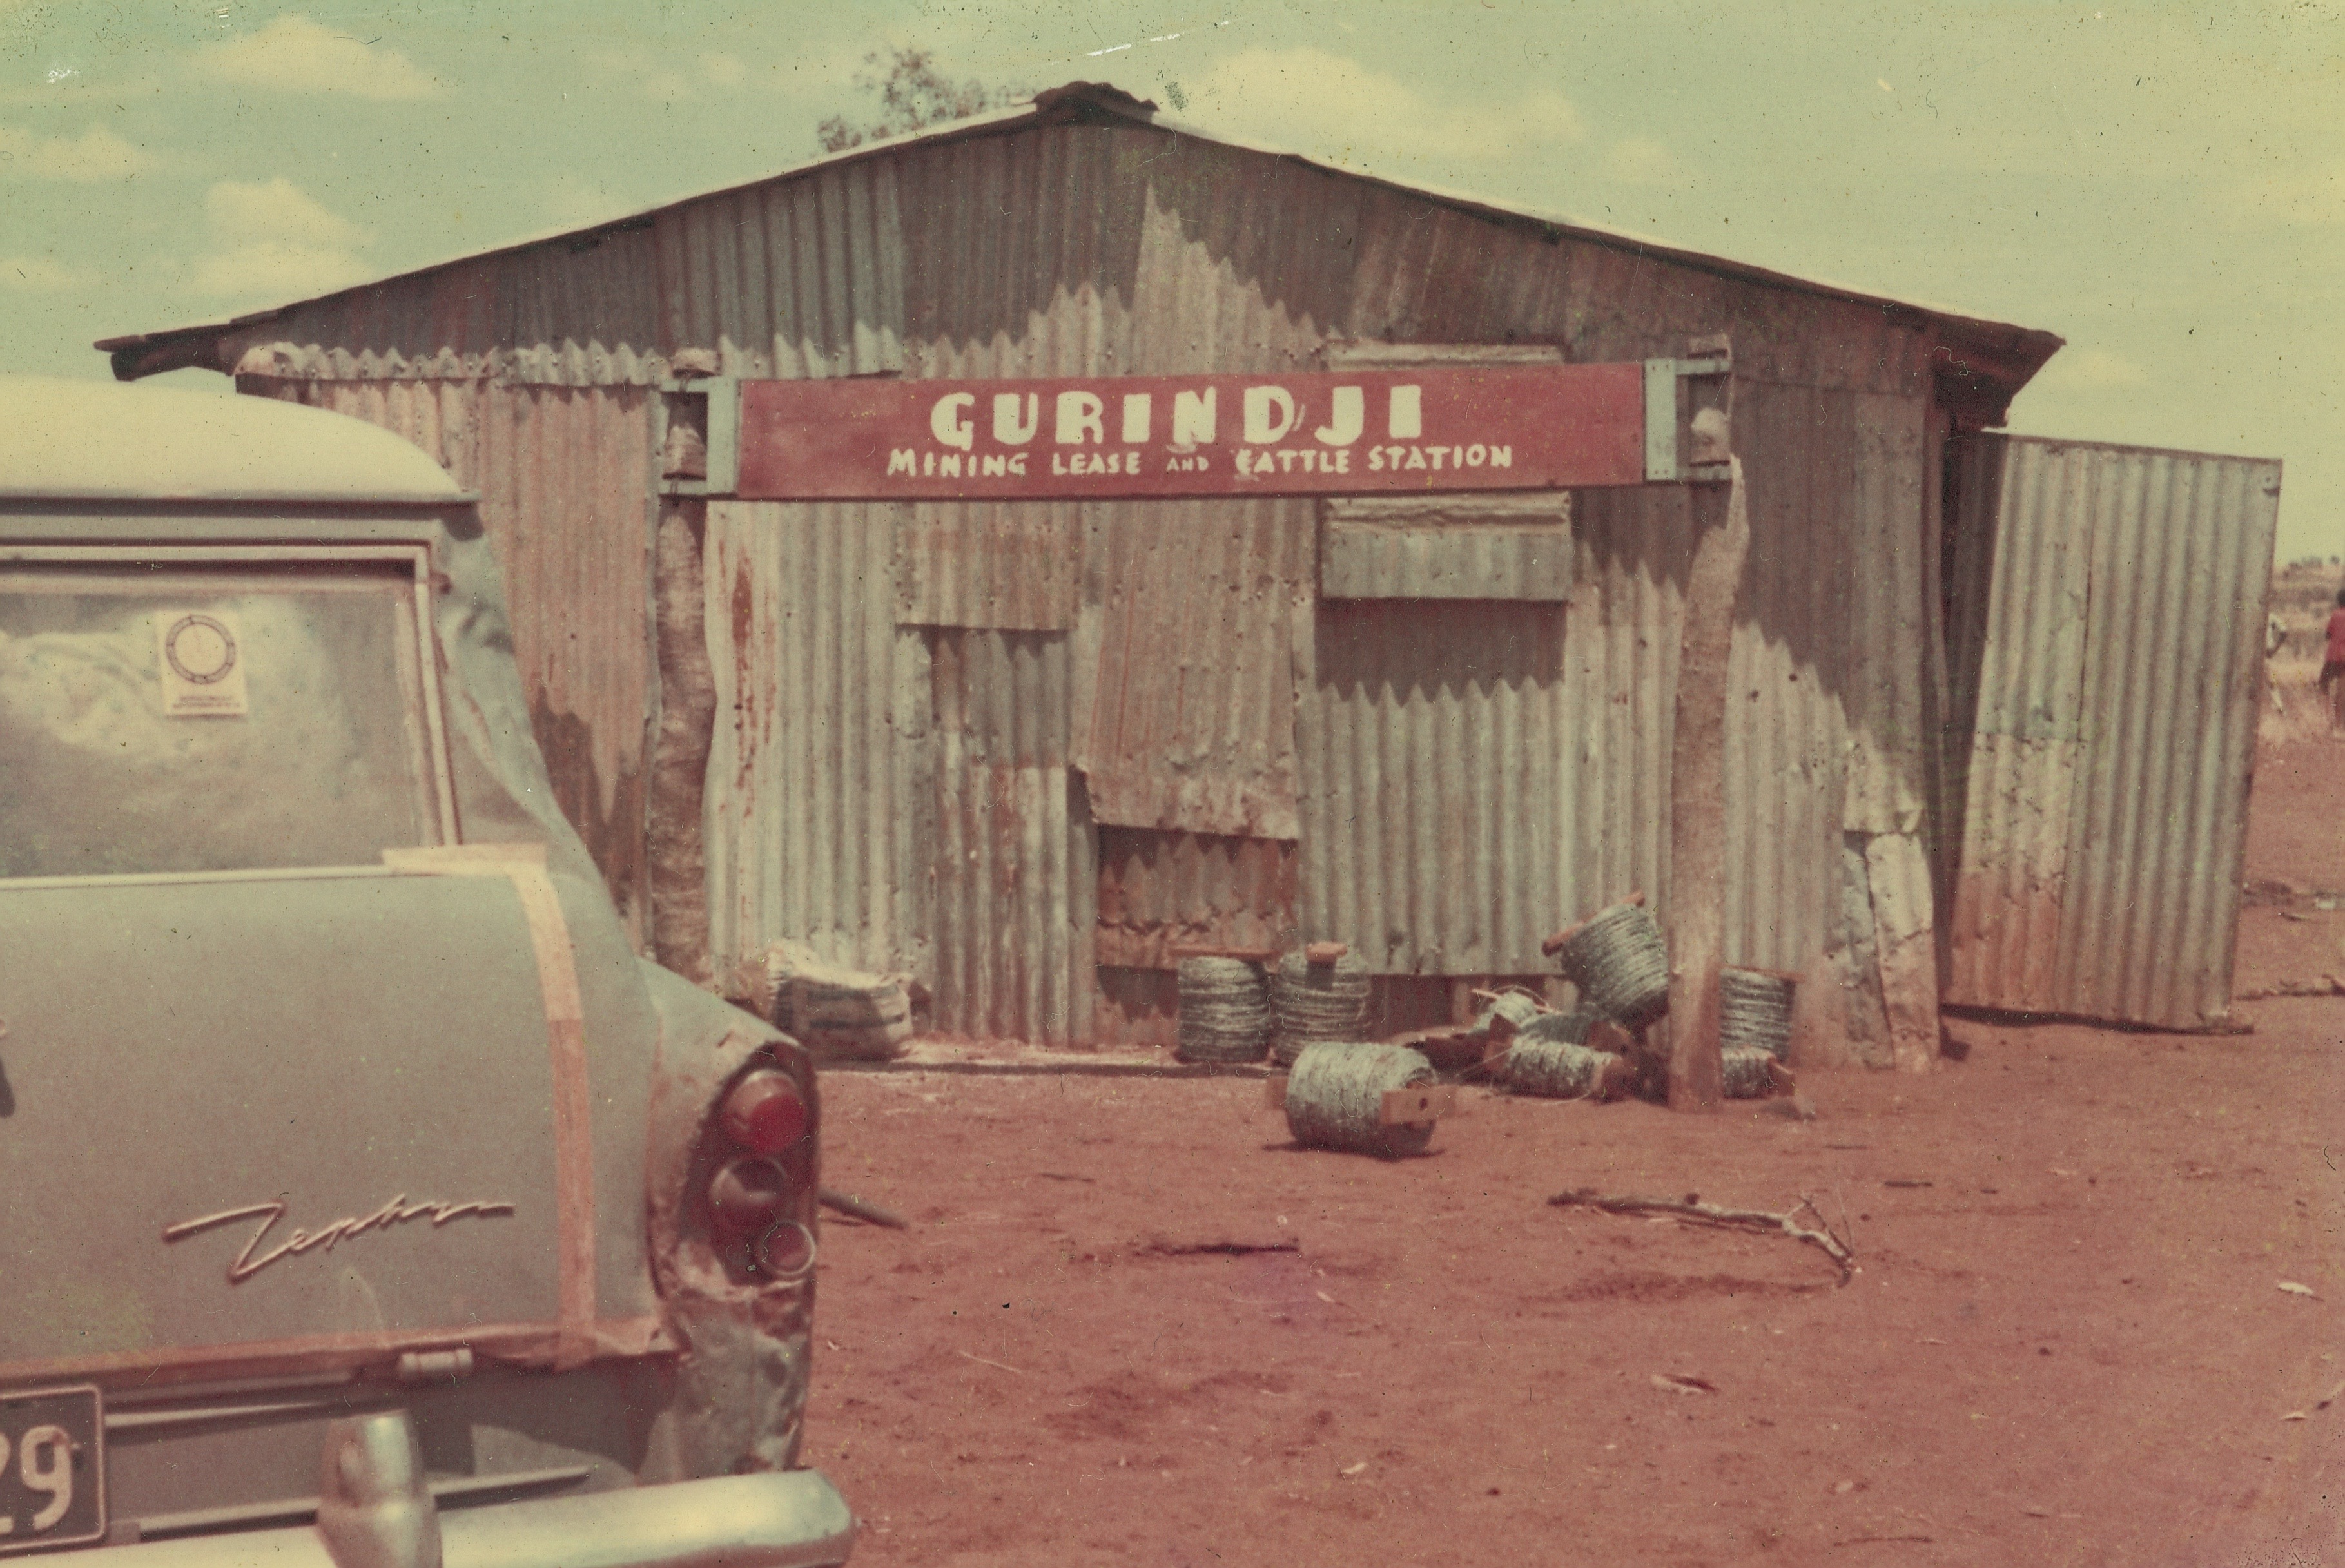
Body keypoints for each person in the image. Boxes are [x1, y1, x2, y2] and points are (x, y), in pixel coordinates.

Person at [2324, 590, 2345, 732]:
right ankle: (2339, 724)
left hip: (2333, 657)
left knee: (2325, 687)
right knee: (2342, 691)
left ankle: (2332, 723)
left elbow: (2327, 634)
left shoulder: (2336, 614)